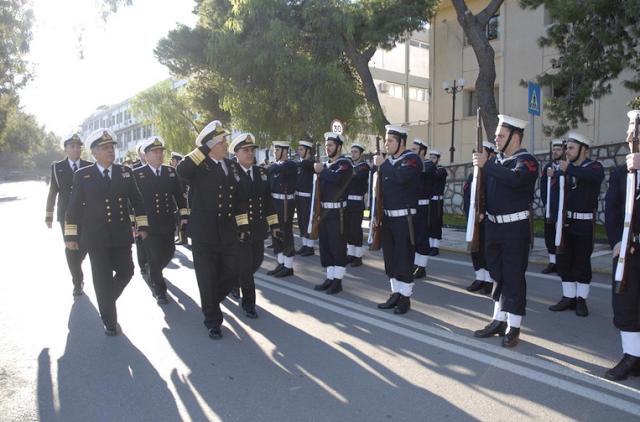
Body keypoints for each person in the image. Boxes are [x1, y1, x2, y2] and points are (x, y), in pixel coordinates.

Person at [64, 129, 149, 336]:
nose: (110, 151)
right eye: (105, 148)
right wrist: (71, 237)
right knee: (101, 278)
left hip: (120, 234)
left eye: (111, 147)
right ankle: (110, 320)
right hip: (96, 236)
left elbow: (136, 200)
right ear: (94, 153)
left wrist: (143, 225)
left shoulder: (124, 172)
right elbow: (73, 207)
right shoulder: (83, 175)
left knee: (126, 271)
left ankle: (105, 301)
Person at [176, 120, 249, 340]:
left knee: (233, 271)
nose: (226, 144)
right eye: (221, 141)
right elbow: (182, 169)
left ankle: (209, 300)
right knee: (206, 278)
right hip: (203, 233)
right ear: (210, 145)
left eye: (225, 140)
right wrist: (205, 148)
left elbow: (241, 199)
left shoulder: (233, 166)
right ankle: (213, 321)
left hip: (227, 230)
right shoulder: (199, 166)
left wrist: (243, 224)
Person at [471, 115, 538, 348]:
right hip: (494, 226)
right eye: (496, 135)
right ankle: (499, 319)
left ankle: (514, 326)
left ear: (515, 137)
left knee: (513, 278)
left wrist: (486, 164)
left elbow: (515, 180)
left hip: (514, 229)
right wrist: (482, 211)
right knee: (496, 276)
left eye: (500, 135)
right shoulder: (497, 162)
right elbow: (486, 190)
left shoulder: (527, 162)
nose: (496, 139)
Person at [548, 133, 604, 317]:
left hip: (584, 222)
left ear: (583, 149)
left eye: (571, 148)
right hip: (566, 222)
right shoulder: (564, 169)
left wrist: (568, 169)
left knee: (581, 261)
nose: (567, 151)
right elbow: (555, 193)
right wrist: (556, 219)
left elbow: (593, 176)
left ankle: (581, 300)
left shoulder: (594, 166)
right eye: (567, 148)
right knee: (564, 260)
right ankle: (568, 297)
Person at [604, 110, 640, 381]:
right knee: (625, 305)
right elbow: (612, 207)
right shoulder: (621, 171)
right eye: (629, 130)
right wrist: (617, 240)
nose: (629, 136)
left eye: (635, 131)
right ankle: (631, 356)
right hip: (628, 249)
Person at [230, 133, 280, 318]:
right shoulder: (230, 173)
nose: (250, 153)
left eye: (252, 150)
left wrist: (274, 224)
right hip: (239, 228)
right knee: (245, 266)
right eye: (246, 150)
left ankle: (234, 280)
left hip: (258, 227)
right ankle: (249, 304)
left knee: (257, 261)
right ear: (236, 154)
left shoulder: (261, 173)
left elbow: (268, 201)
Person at [133, 137, 188, 304]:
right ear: (146, 155)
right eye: (155, 152)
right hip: (147, 223)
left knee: (169, 252)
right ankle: (160, 290)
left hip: (166, 221)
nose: (159, 155)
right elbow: (132, 201)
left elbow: (179, 195)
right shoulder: (137, 174)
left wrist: (184, 216)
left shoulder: (170, 172)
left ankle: (152, 272)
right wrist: (134, 224)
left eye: (161, 152)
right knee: (154, 256)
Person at [375, 126, 423, 314]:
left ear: (401, 142)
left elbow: (401, 177)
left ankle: (406, 297)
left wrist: (383, 164)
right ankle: (395, 293)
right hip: (387, 218)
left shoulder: (412, 160)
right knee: (391, 259)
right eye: (386, 140)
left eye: (391, 141)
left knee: (404, 258)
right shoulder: (388, 162)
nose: (387, 144)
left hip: (405, 219)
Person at [45, 133, 92, 296]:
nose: (76, 149)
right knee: (71, 247)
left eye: (78, 146)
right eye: (72, 146)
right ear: (65, 149)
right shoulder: (57, 167)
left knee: (84, 246)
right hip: (66, 216)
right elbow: (53, 191)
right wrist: (49, 215)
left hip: (86, 214)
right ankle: (77, 281)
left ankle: (76, 265)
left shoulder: (88, 165)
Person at [312, 132, 353, 294]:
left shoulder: (345, 164)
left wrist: (322, 171)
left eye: (331, 145)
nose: (327, 148)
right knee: (326, 247)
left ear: (339, 147)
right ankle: (330, 277)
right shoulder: (326, 165)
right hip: (324, 212)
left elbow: (338, 179)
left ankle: (338, 280)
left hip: (338, 212)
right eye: (326, 145)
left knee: (337, 246)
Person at [463, 141, 497, 294]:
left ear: (490, 155)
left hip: (487, 218)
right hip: (474, 218)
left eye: (481, 152)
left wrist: (483, 211)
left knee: (487, 250)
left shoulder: (491, 172)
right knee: (475, 249)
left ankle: (489, 280)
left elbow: (492, 195)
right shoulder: (473, 174)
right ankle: (480, 278)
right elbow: (467, 195)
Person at [266, 141, 298, 277]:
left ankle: (289, 266)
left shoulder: (290, 164)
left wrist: (266, 168)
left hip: (285, 204)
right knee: (275, 233)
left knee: (286, 234)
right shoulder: (276, 167)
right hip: (274, 203)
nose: (275, 152)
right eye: (275, 150)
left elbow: (277, 168)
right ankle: (281, 263)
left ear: (285, 151)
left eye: (278, 150)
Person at [410, 138, 436, 279]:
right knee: (414, 237)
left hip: (424, 206)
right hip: (413, 206)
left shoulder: (429, 165)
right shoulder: (414, 165)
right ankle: (415, 263)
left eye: (414, 149)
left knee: (422, 237)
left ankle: (422, 267)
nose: (411, 151)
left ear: (422, 151)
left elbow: (428, 172)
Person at [539, 140, 564, 274]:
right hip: (550, 207)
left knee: (561, 236)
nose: (555, 152)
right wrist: (545, 203)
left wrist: (556, 175)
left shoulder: (567, 166)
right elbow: (543, 186)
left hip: (562, 208)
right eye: (554, 150)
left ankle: (561, 262)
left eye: (558, 149)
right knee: (550, 236)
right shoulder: (548, 167)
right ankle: (553, 261)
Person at [345, 142, 370, 267]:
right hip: (348, 202)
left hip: (357, 201)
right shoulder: (350, 166)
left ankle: (358, 256)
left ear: (360, 153)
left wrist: (346, 172)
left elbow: (358, 177)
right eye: (352, 152)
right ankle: (351, 254)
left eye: (355, 152)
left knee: (356, 229)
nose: (353, 154)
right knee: (349, 229)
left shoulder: (364, 166)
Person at [295, 140, 316, 257]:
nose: (299, 151)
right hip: (299, 196)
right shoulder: (302, 163)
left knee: (308, 222)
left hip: (307, 197)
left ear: (308, 151)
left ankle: (310, 246)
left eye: (301, 149)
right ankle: (305, 244)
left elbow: (307, 165)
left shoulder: (311, 162)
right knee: (302, 222)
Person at [428, 150, 447, 256]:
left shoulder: (441, 170)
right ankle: (431, 245)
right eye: (430, 157)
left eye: (433, 158)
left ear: (438, 159)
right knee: (430, 224)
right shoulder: (430, 170)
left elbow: (436, 175)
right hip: (430, 200)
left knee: (436, 223)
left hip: (437, 200)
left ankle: (436, 247)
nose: (431, 160)